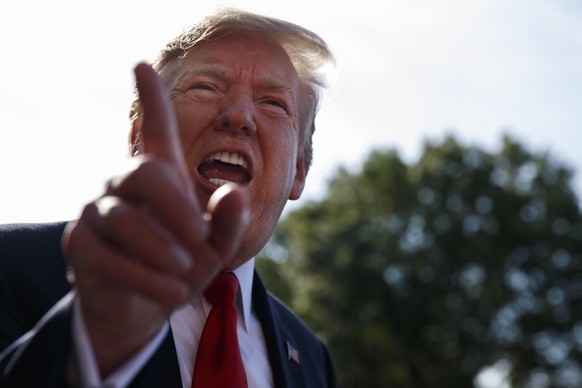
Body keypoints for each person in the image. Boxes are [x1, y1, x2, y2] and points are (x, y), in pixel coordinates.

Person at [0, 7, 337, 388]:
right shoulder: (10, 267)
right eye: (206, 87)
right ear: (137, 136)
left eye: (274, 103)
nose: (239, 115)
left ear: (299, 172)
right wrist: (95, 344)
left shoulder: (312, 360)